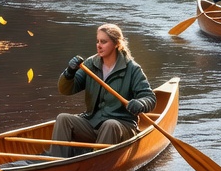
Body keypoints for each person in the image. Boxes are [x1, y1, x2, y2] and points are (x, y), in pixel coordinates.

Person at [49, 24, 156, 159]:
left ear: (116, 44)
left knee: (109, 125)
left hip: (122, 126)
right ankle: (57, 162)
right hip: (92, 122)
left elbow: (149, 97)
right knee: (63, 119)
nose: (99, 45)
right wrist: (69, 72)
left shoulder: (132, 69)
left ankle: (95, 164)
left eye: (104, 42)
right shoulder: (90, 64)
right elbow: (66, 90)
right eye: (98, 41)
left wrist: (140, 104)